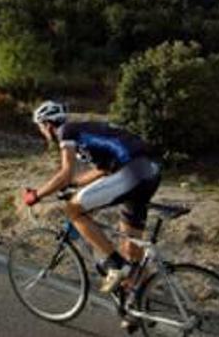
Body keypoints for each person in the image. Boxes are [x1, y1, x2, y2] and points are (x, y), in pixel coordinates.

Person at [22, 101, 160, 294]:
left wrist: (36, 195)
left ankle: (116, 264)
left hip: (132, 170)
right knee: (131, 249)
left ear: (47, 125)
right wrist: (74, 185)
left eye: (40, 128)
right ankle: (137, 307)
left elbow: (65, 173)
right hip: (150, 172)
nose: (42, 133)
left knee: (73, 209)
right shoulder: (85, 133)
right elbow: (102, 169)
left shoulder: (66, 131)